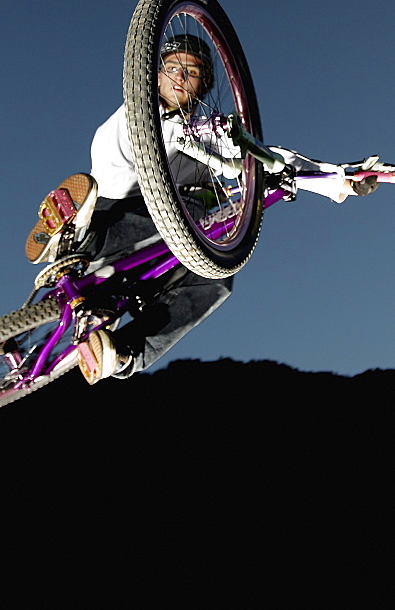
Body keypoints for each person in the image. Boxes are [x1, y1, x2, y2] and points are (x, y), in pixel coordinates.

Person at [78, 34, 378, 383]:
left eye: (190, 72)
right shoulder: (136, 114)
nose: (178, 77)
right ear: (156, 76)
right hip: (109, 212)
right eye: (172, 68)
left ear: (203, 85)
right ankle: (79, 235)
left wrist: (339, 180)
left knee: (216, 274)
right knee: (160, 195)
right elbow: (131, 144)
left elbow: (268, 158)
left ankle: (124, 353)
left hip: (148, 249)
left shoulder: (205, 134)